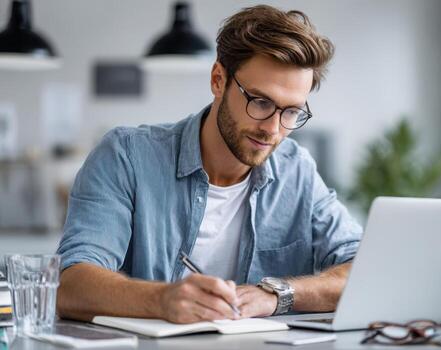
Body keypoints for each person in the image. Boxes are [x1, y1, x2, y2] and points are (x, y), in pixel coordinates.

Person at [57, 5, 362, 324]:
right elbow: (70, 284)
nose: (273, 129)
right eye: (260, 102)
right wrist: (162, 300)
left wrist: (278, 295)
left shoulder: (296, 170)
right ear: (219, 80)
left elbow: (365, 268)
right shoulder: (126, 156)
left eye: (291, 112)